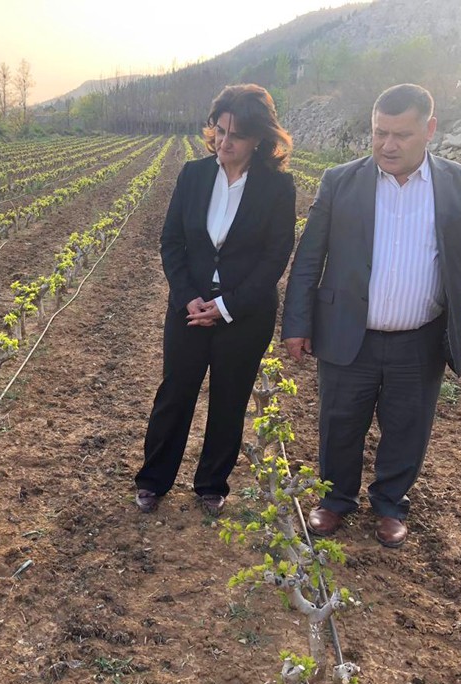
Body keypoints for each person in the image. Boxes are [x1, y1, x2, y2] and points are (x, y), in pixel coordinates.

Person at [281, 83, 461, 548]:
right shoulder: (340, 182)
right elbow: (308, 259)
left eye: (401, 134)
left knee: (407, 426)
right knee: (339, 423)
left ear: (430, 130)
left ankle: (389, 504)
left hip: (420, 337)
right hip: (348, 333)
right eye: (380, 132)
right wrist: (297, 325)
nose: (388, 145)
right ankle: (335, 499)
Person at [134, 84, 296, 517]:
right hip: (188, 310)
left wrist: (226, 308)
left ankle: (210, 483)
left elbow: (275, 255)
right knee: (175, 392)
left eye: (237, 134)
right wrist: (188, 298)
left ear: (259, 138)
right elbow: (171, 242)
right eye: (220, 129)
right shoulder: (193, 175)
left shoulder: (277, 187)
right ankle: (153, 480)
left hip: (244, 314)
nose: (225, 142)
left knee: (230, 397)